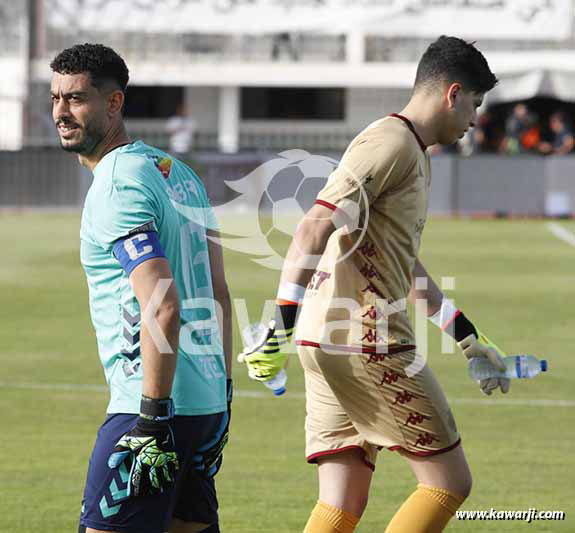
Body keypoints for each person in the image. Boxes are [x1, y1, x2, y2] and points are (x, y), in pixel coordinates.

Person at [239, 36, 510, 533]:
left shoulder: (410, 151)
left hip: (323, 343)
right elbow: (313, 227)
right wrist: (278, 322)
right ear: (452, 94)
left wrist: (470, 338)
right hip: (369, 341)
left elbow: (405, 268)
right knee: (448, 482)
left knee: (342, 501)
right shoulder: (391, 143)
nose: (474, 119)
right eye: (474, 104)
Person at [50, 43, 232, 533]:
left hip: (150, 410)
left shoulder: (116, 183)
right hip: (207, 408)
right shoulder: (183, 176)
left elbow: (162, 305)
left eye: (76, 98)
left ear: (114, 103)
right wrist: (225, 394)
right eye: (56, 98)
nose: (61, 112)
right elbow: (218, 296)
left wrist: (151, 417)